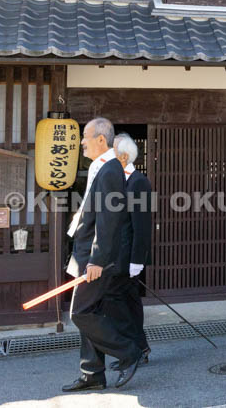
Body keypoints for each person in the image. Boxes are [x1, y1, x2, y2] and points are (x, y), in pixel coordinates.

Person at [63, 118, 144, 392]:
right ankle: (92, 373)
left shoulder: (110, 170)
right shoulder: (101, 166)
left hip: (94, 258)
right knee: (92, 311)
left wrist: (96, 260)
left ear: (101, 139)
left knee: (80, 313)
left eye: (85, 137)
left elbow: (109, 220)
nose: (81, 142)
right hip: (85, 253)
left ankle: (129, 351)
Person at [106, 133, 152, 365]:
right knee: (128, 300)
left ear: (124, 155)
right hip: (119, 254)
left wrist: (137, 260)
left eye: (113, 152)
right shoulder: (120, 181)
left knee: (116, 298)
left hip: (128, 256)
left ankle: (132, 349)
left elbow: (142, 225)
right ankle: (139, 347)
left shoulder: (138, 181)